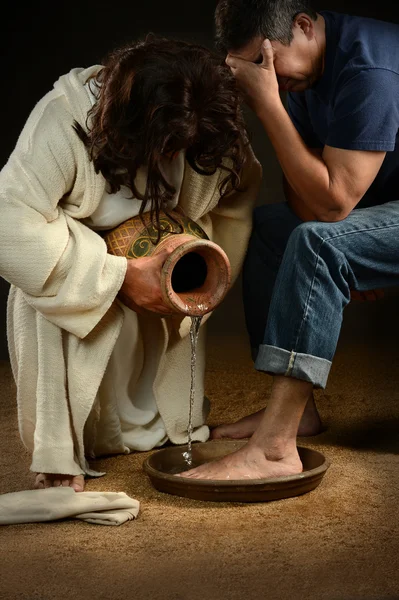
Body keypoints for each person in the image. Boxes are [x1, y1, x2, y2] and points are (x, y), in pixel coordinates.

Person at [0, 35, 262, 491]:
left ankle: (167, 426)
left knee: (159, 422)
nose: (171, 158)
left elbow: (238, 190)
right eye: (164, 147)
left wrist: (185, 254)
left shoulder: (203, 126)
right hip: (84, 270)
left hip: (158, 271)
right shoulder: (62, 120)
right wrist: (116, 276)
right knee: (39, 292)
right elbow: (9, 222)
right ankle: (61, 454)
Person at [182, 1, 399, 480]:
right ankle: (300, 413)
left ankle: (276, 449)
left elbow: (333, 203)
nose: (269, 80)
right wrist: (348, 241)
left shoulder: (371, 68)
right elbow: (306, 196)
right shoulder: (301, 71)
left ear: (304, 25)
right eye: (256, 72)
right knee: (274, 233)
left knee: (322, 244)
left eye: (271, 67)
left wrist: (266, 103)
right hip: (378, 211)